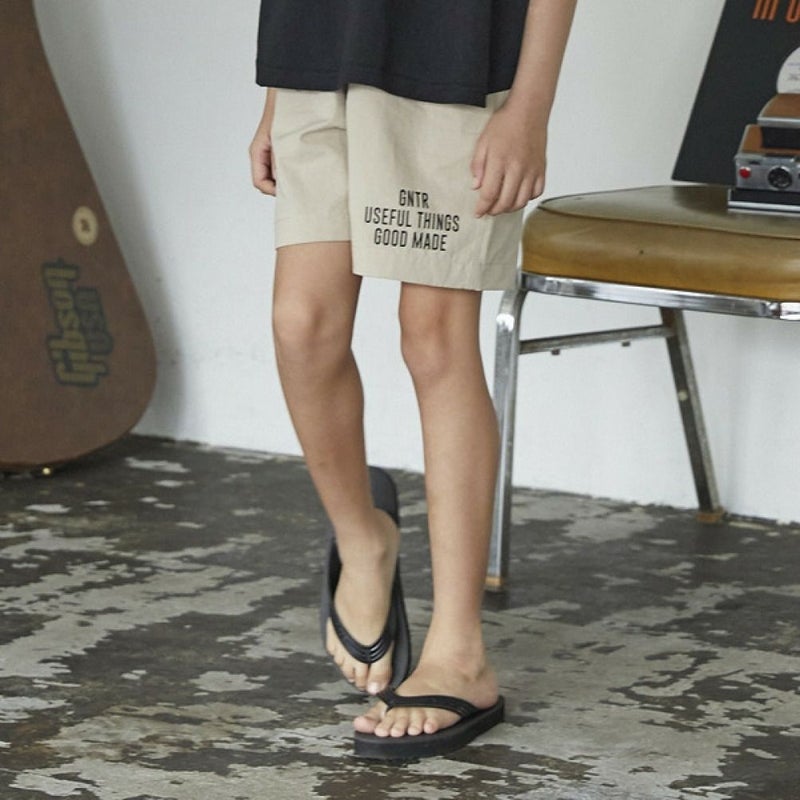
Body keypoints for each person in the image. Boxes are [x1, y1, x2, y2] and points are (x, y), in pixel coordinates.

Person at [250, 0, 576, 760]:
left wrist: (529, 108)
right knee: (302, 324)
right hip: (315, 55)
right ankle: (363, 540)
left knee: (433, 339)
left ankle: (461, 653)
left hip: (454, 62)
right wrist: (275, 96)